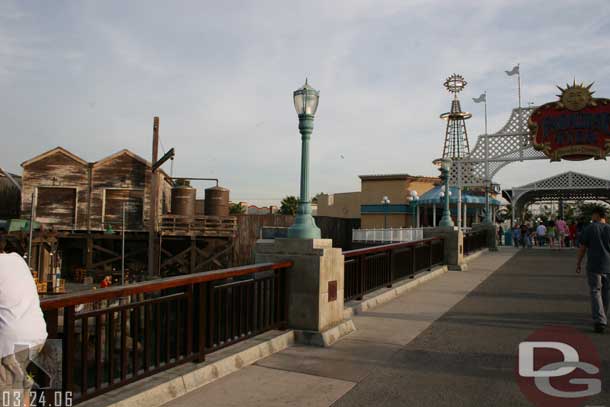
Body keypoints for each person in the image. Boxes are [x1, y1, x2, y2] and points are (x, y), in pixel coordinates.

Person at [0, 237, 48, 402]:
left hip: (12, 342)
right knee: (21, 385)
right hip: (37, 335)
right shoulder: (17, 259)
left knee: (7, 395)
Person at [576, 207, 610, 334]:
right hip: (609, 266)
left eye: (592, 215)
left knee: (596, 291)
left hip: (594, 266)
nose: (591, 217)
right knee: (606, 293)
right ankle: (603, 316)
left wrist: (578, 263)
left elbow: (583, 248)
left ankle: (600, 320)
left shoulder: (590, 228)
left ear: (596, 215)